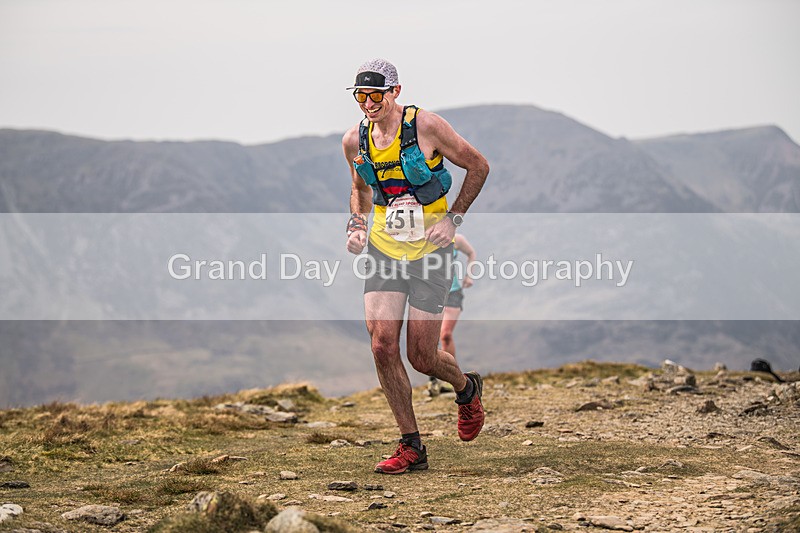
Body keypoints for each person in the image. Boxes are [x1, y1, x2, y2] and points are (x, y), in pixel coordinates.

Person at [342, 59, 490, 474]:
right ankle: (411, 446)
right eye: (360, 95)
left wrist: (453, 219)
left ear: (395, 91)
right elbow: (359, 189)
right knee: (382, 345)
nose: (368, 103)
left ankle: (466, 387)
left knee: (423, 356)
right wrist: (357, 225)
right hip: (385, 251)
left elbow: (479, 166)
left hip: (430, 253)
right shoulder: (355, 140)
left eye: (376, 94)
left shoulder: (426, 126)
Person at [430, 233, 477, 396]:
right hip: (430, 293)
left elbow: (471, 253)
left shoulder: (456, 239)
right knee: (431, 337)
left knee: (445, 335)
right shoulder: (421, 236)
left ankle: (450, 379)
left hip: (452, 293)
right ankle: (434, 380)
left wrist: (469, 276)